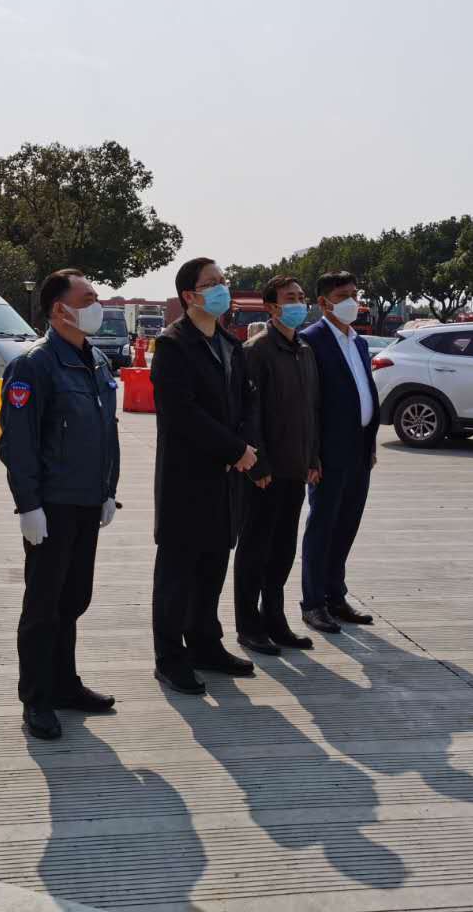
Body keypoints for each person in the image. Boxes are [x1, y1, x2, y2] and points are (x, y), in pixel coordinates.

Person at [0, 269, 121, 740]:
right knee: (43, 605)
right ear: (58, 310)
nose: (96, 305)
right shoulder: (33, 365)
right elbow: (18, 443)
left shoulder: (96, 361)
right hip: (51, 506)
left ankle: (64, 683)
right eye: (87, 298)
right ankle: (36, 697)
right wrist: (28, 505)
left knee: (73, 599)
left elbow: (107, 432)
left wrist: (108, 490)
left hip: (88, 501)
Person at [151, 257, 259, 694]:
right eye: (211, 283)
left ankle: (205, 644)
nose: (221, 288)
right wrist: (234, 449)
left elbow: (247, 403)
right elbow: (182, 413)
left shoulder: (230, 344)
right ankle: (169, 657)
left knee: (213, 565)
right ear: (189, 295)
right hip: (186, 478)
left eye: (222, 281)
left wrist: (245, 449)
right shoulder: (173, 345)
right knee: (177, 573)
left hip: (226, 477)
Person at [235, 275, 321, 656]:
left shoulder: (304, 350)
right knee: (255, 550)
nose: (299, 303)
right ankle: (248, 625)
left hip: (295, 469)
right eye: (290, 298)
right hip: (265, 473)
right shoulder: (257, 351)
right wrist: (258, 465)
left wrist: (312, 458)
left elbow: (311, 410)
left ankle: (274, 618)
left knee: (283, 550)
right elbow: (249, 414)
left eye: (301, 297)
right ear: (271, 307)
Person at [298, 270, 380, 634]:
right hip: (328, 452)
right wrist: (311, 455)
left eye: (355, 294)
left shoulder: (357, 341)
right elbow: (308, 403)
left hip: (359, 449)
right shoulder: (311, 341)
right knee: (323, 526)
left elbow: (364, 392)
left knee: (347, 524)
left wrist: (370, 443)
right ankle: (313, 602)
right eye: (343, 295)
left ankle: (335, 596)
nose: (352, 301)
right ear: (323, 303)